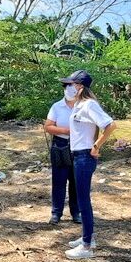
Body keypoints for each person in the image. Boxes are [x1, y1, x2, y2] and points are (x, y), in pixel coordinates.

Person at [60, 70, 117, 260]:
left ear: (80, 86)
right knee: (81, 199)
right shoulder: (79, 105)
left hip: (85, 156)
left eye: (70, 84)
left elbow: (110, 125)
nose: (67, 88)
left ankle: (86, 247)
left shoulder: (89, 104)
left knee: (83, 200)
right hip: (78, 155)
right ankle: (88, 237)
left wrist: (96, 146)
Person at [44, 81, 81, 225]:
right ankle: (56, 213)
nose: (70, 91)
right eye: (67, 88)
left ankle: (76, 213)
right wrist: (66, 131)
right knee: (59, 181)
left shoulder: (83, 106)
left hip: (78, 146)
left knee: (76, 181)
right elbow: (48, 127)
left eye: (73, 88)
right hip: (60, 146)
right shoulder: (57, 107)